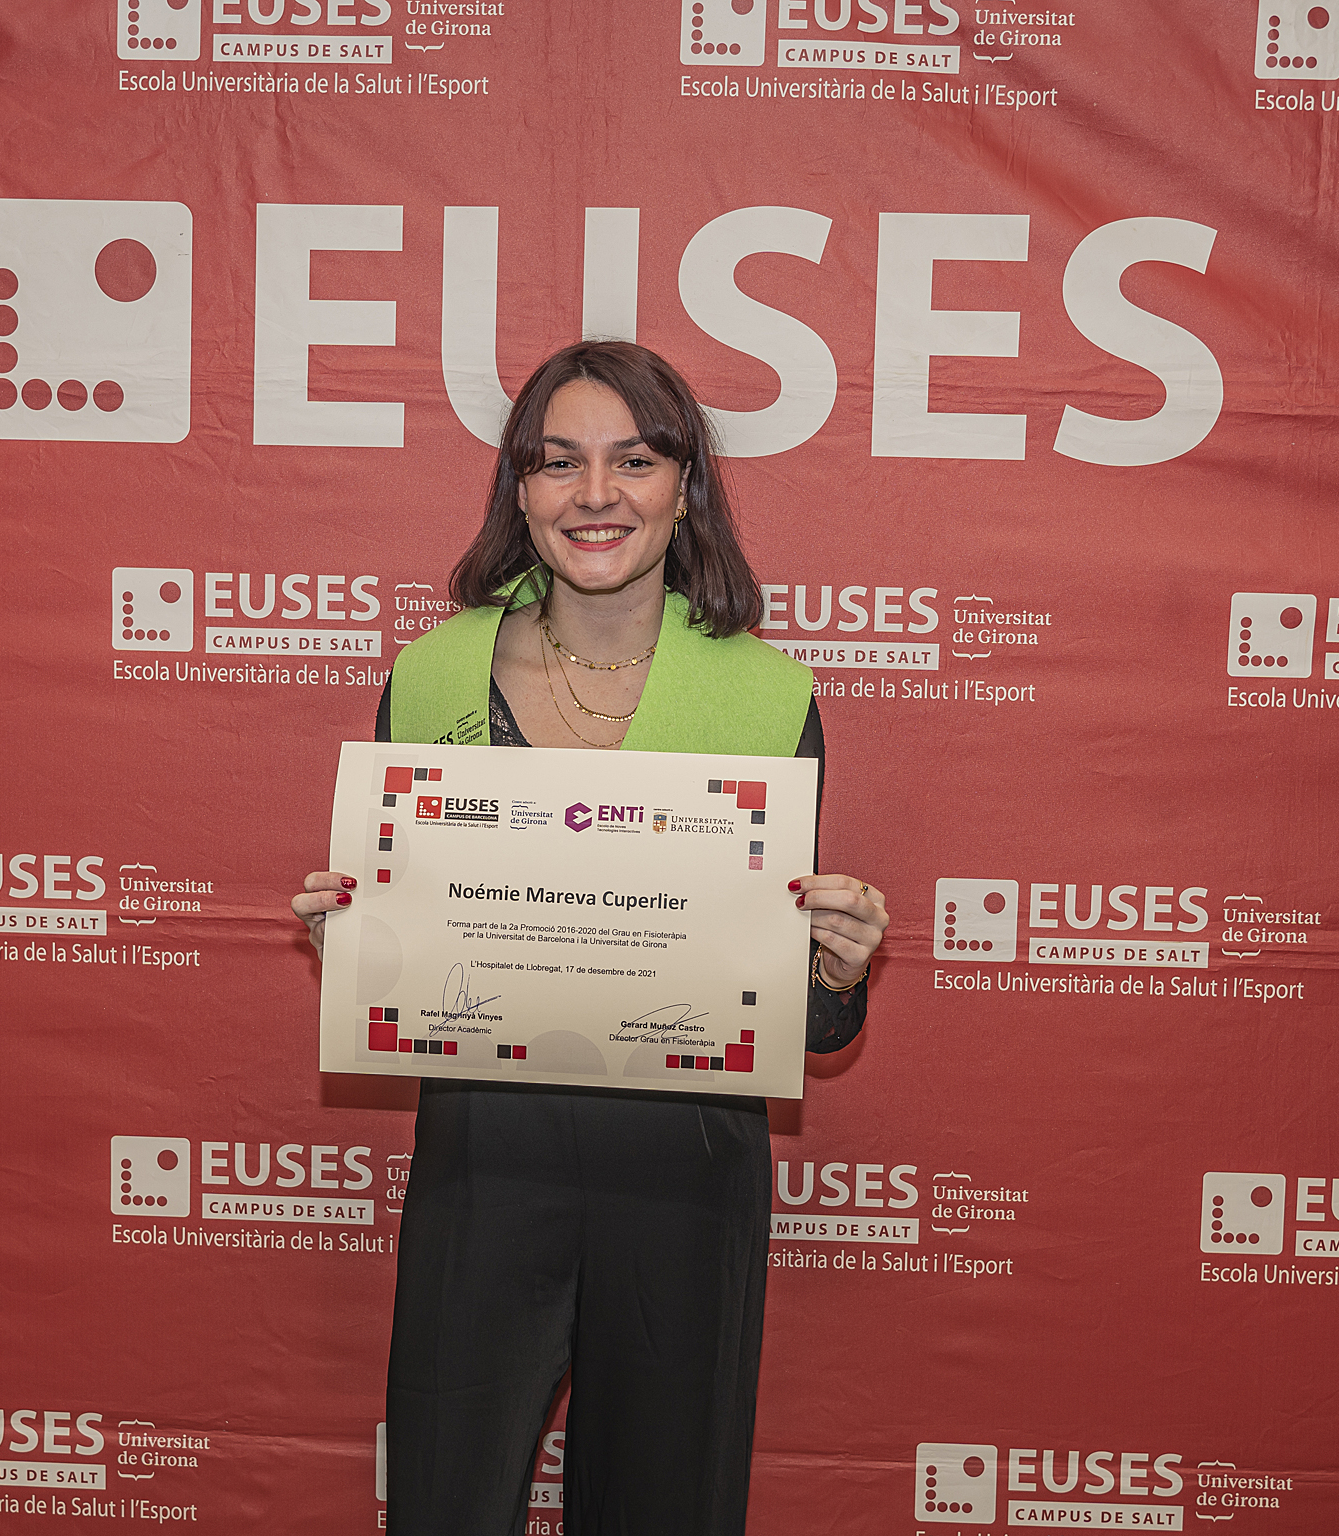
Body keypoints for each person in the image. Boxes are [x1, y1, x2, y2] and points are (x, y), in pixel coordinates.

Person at [291, 340, 890, 1536]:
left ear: (686, 486)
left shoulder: (767, 697)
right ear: (519, 490)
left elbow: (799, 1018)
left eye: (635, 460)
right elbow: (417, 956)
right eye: (559, 462)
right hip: (485, 1163)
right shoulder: (430, 678)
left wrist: (834, 970)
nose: (596, 495)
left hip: (687, 1178)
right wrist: (357, 941)